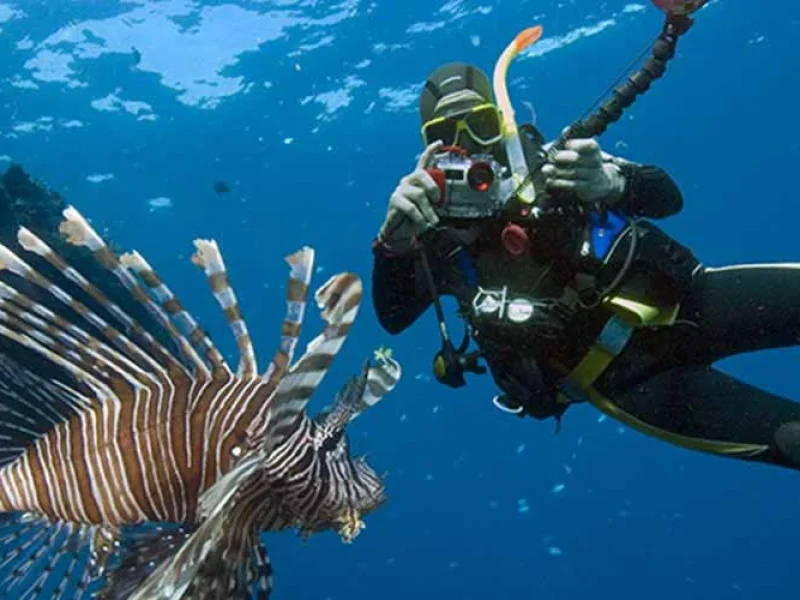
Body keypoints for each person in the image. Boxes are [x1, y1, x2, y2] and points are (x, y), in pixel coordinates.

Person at [370, 62, 800, 472]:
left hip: (692, 299)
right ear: (429, 148)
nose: (469, 145)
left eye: (480, 124)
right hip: (629, 381)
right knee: (792, 439)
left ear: (501, 121)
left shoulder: (556, 163)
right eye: (447, 135)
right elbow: (393, 317)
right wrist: (392, 246)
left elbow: (669, 198)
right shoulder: (432, 232)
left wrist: (614, 183)